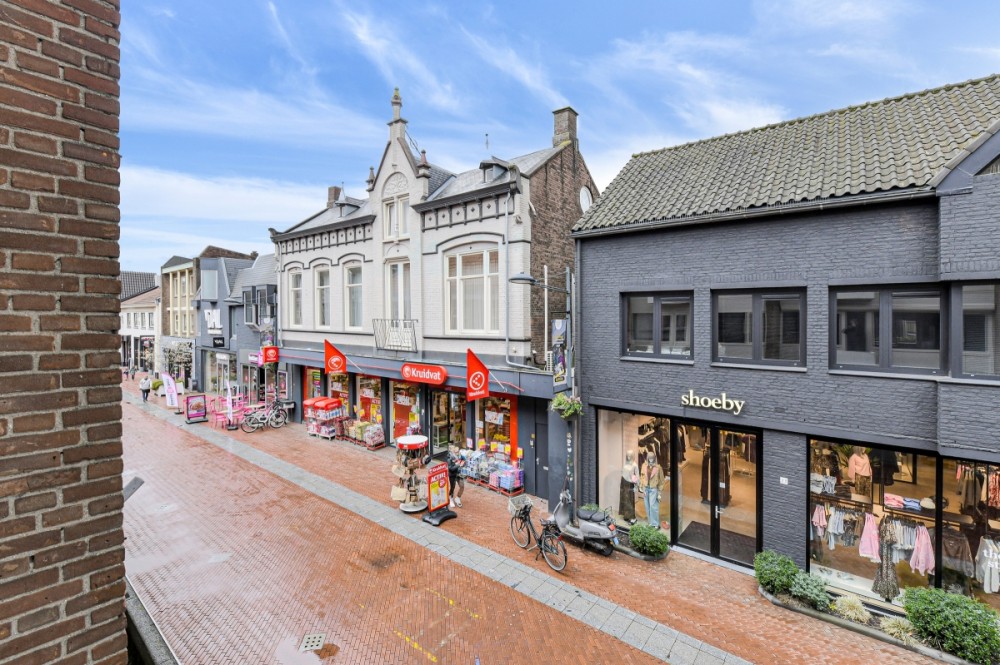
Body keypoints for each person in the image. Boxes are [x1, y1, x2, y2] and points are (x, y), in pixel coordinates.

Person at [639, 452, 665, 529]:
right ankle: (650, 522)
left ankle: (655, 524)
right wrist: (641, 485)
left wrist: (659, 492)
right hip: (646, 488)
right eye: (649, 458)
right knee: (647, 506)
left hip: (653, 489)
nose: (650, 460)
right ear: (647, 458)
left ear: (654, 458)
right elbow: (642, 476)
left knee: (653, 506)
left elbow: (661, 481)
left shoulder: (658, 468)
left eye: (652, 458)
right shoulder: (644, 466)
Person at [447, 444, 465, 508]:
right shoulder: (449, 458)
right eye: (452, 449)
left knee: (462, 486)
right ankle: (451, 499)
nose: (454, 450)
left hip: (459, 474)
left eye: (454, 448)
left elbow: (464, 460)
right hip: (452, 474)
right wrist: (458, 465)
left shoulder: (460, 455)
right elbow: (450, 468)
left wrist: (463, 462)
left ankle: (458, 498)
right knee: (452, 487)